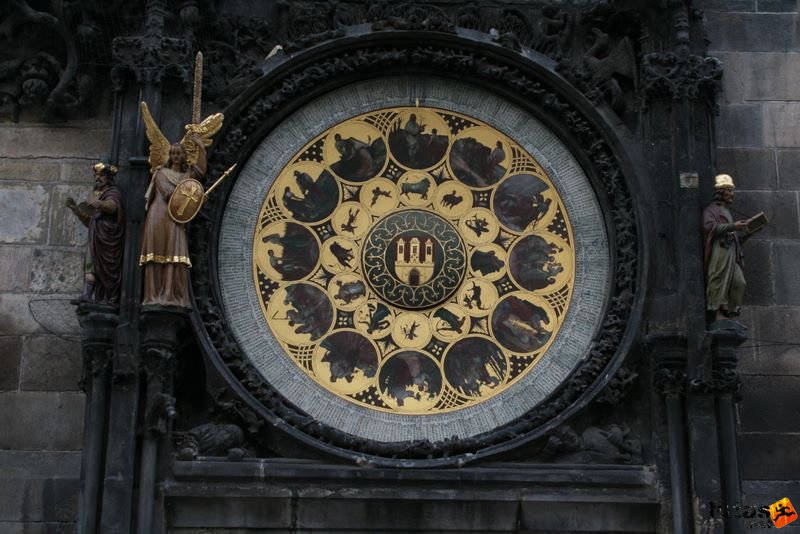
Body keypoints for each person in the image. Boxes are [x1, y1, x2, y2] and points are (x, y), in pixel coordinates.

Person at [139, 135, 205, 308]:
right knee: (157, 252)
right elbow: (169, 194)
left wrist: (201, 149)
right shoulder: (161, 173)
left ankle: (173, 295)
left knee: (176, 254)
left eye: (179, 153)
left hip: (175, 218)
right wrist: (187, 190)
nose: (176, 156)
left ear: (184, 156)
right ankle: (154, 295)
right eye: (173, 153)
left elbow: (200, 172)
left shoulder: (187, 175)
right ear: (170, 155)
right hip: (159, 215)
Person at [702, 174, 759, 321]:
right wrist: (733, 226)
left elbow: (734, 238)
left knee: (739, 282)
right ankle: (717, 311)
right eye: (729, 190)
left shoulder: (727, 212)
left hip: (731, 251)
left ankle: (730, 311)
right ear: (721, 192)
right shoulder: (711, 210)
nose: (732, 194)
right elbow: (709, 227)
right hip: (720, 250)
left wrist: (748, 232)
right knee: (718, 278)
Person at [66, 162, 125, 305]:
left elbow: (113, 207)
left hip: (108, 236)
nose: (97, 178)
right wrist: (76, 209)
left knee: (107, 268)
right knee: (90, 265)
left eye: (101, 175)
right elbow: (89, 220)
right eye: (96, 175)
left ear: (108, 177)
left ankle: (110, 297)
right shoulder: (95, 194)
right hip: (95, 234)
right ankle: (87, 295)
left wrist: (101, 204)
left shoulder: (113, 192)